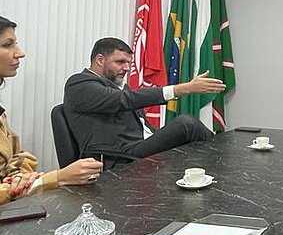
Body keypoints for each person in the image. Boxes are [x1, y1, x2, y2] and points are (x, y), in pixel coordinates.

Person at [0, 8, 102, 221]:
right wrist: (56, 179)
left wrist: (17, 179)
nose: (19, 52)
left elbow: (17, 157)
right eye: (7, 45)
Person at [63, 37, 225, 166]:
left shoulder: (119, 87)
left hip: (139, 146)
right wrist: (180, 89)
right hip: (119, 156)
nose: (127, 68)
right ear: (100, 60)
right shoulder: (78, 84)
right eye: (120, 62)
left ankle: (218, 163)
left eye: (128, 63)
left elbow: (141, 124)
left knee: (189, 147)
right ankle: (224, 159)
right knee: (185, 124)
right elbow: (121, 100)